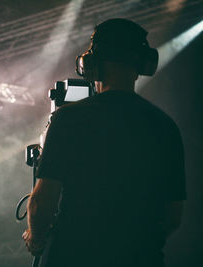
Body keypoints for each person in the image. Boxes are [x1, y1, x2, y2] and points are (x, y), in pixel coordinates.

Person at [22, 18, 186, 267]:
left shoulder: (67, 119)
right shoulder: (166, 127)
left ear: (90, 64)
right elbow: (173, 216)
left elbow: (41, 202)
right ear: (143, 64)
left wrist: (35, 240)